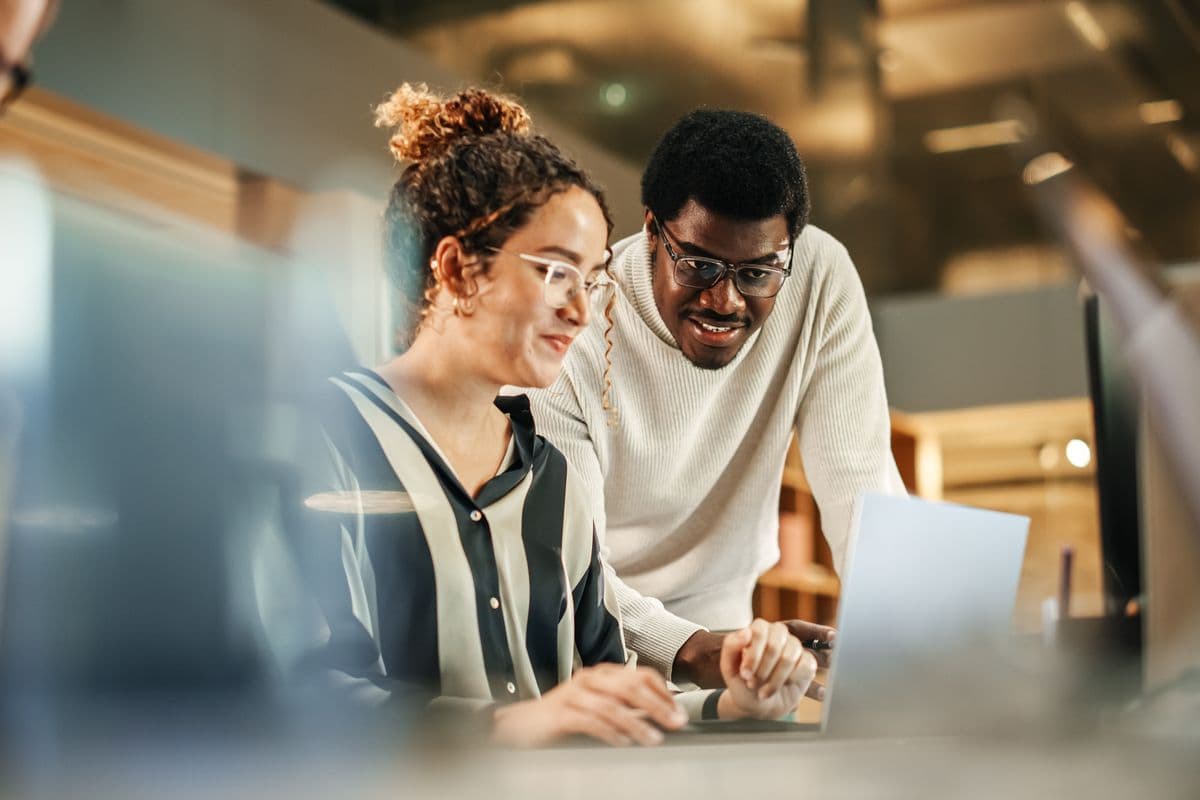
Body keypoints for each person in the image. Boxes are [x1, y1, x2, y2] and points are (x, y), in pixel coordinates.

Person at [275, 85, 819, 748]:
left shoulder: (551, 479)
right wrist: (508, 726)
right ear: (457, 271)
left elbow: (613, 695)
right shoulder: (322, 438)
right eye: (555, 273)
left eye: (591, 281)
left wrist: (735, 706)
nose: (582, 313)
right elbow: (300, 694)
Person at [528, 109, 907, 689]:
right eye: (699, 265)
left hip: (732, 653)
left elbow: (862, 486)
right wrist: (692, 648)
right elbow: (570, 569)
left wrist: (908, 645)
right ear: (653, 230)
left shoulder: (820, 278)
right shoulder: (572, 327)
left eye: (757, 273)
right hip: (588, 664)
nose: (725, 301)